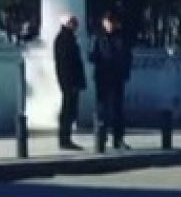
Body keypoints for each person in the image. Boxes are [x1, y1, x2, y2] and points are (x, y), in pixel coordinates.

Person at [89, 11, 133, 151]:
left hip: (117, 77)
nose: (110, 25)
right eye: (108, 22)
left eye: (112, 22)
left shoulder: (121, 37)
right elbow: (92, 56)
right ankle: (100, 137)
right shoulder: (98, 37)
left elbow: (127, 56)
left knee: (117, 110)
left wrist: (124, 72)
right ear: (103, 23)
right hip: (102, 77)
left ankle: (118, 139)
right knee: (101, 108)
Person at [52, 14, 86, 151]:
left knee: (71, 110)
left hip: (72, 81)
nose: (75, 25)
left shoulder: (69, 38)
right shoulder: (63, 39)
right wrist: (69, 82)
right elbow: (65, 64)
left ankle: (67, 138)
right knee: (67, 110)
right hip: (68, 82)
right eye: (72, 23)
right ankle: (64, 139)